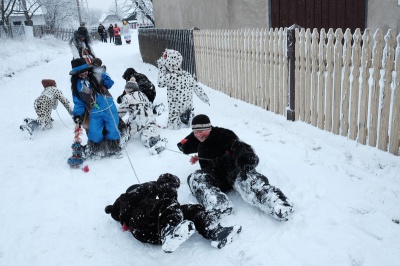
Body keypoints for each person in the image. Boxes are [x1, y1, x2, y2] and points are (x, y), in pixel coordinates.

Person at [177, 114, 294, 221]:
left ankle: (275, 201)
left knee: (249, 178)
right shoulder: (198, 137)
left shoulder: (223, 134)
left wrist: (246, 160)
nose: (198, 135)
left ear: (209, 127)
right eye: (195, 132)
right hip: (215, 177)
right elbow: (183, 145)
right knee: (195, 178)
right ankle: (218, 204)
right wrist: (191, 142)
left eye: (201, 131)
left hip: (234, 172)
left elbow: (240, 147)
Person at [105, 173, 242, 253]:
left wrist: (113, 211)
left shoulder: (157, 202)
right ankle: (169, 231)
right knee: (169, 204)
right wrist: (115, 211)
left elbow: (115, 212)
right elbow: (116, 211)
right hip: (141, 223)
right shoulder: (134, 195)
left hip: (155, 231)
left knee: (192, 209)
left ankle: (215, 231)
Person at [69, 58, 122, 159]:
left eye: (85, 72)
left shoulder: (97, 75)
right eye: (80, 74)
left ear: (88, 69)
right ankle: (97, 149)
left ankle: (113, 147)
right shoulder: (78, 86)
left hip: (108, 108)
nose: (84, 75)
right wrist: (77, 115)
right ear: (76, 75)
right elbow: (78, 103)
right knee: (94, 132)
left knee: (113, 128)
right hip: (94, 112)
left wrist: (103, 82)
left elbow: (110, 83)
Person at [157, 49, 210, 129]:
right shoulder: (187, 75)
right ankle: (189, 116)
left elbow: (160, 83)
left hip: (175, 108)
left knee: (173, 119)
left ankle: (174, 124)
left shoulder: (170, 77)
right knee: (187, 108)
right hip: (188, 105)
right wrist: (205, 98)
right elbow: (197, 87)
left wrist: (162, 68)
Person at [117, 77, 168, 154]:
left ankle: (119, 144)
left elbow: (120, 113)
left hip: (137, 120)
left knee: (126, 131)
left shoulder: (128, 97)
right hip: (150, 118)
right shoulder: (143, 95)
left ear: (128, 90)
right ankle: (153, 141)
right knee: (146, 133)